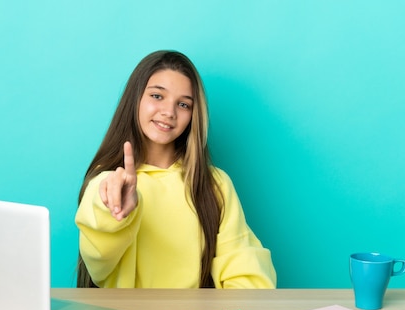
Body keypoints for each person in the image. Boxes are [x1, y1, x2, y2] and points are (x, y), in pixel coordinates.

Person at [75, 50, 276, 289]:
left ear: (193, 114)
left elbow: (246, 270)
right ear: (135, 99)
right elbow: (98, 263)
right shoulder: (107, 180)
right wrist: (114, 209)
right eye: (157, 96)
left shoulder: (215, 184)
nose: (169, 112)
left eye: (183, 104)